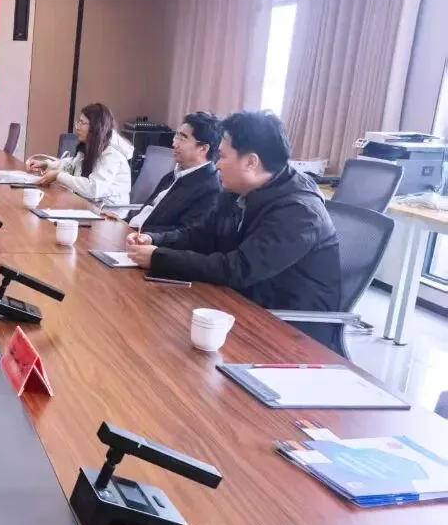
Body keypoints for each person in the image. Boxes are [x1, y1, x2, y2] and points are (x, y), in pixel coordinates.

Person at [125, 111, 344, 353]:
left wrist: (159, 257)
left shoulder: (299, 212)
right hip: (239, 305)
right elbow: (201, 234)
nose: (217, 164)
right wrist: (154, 239)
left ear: (251, 162)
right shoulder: (236, 191)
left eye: (223, 156)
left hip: (291, 334)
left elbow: (238, 268)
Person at [128, 111, 223, 234]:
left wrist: (143, 235)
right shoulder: (173, 175)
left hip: (147, 241)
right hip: (132, 232)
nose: (174, 144)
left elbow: (185, 233)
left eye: (182, 139)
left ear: (203, 148)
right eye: (176, 136)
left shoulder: (210, 189)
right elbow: (145, 214)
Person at [31, 103, 133, 204]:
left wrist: (58, 176)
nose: (77, 127)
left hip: (108, 210)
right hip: (88, 203)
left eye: (82, 123)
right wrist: (47, 164)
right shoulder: (91, 145)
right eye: (78, 122)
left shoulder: (112, 154)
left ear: (96, 127)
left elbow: (93, 189)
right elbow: (72, 166)